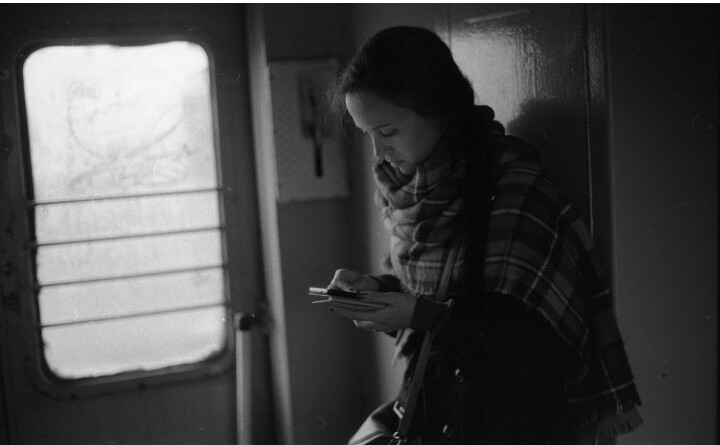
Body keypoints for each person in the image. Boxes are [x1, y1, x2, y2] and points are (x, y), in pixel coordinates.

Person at [325, 26, 642, 444]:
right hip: (438, 419)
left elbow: (545, 346)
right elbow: (424, 292)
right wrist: (377, 291)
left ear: (438, 110)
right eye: (368, 136)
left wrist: (422, 315)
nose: (378, 154)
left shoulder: (517, 191)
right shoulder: (408, 196)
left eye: (387, 132)